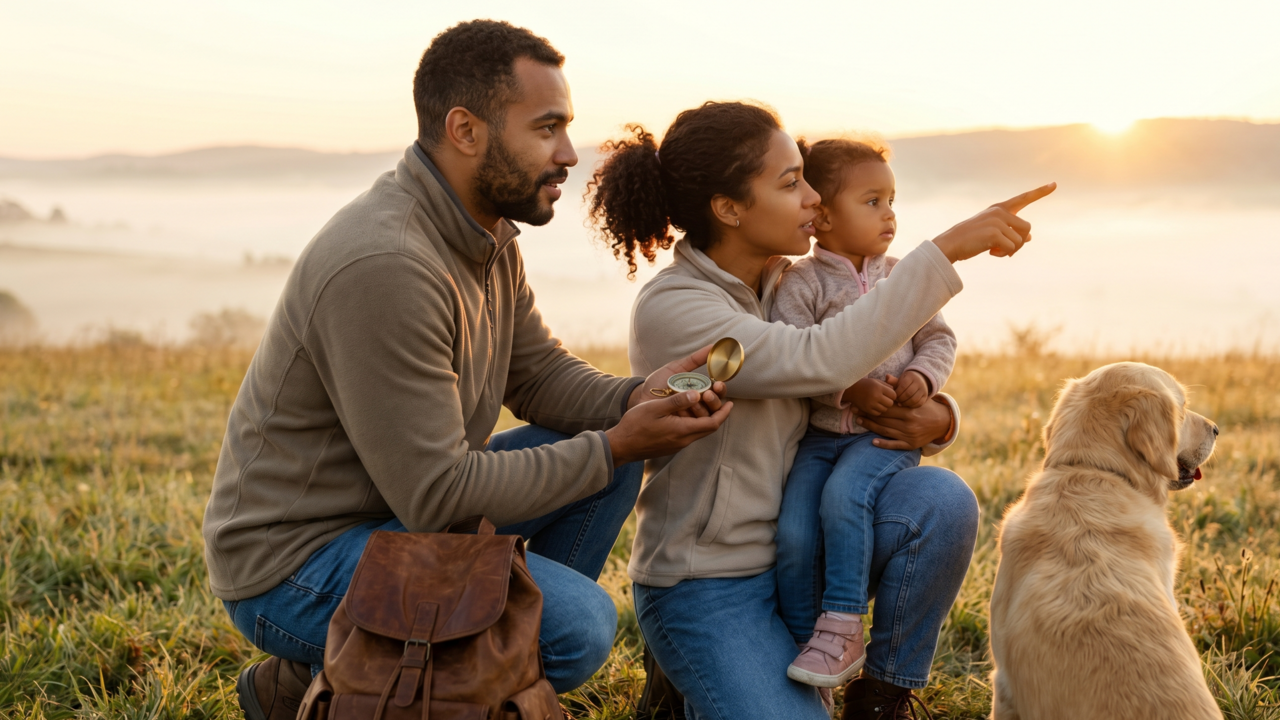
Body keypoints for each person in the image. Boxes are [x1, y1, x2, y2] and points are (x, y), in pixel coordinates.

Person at [202, 20, 730, 720]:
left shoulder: (484, 233)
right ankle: (375, 675)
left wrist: (638, 397)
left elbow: (537, 375)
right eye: (547, 129)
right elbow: (441, 495)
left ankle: (462, 668)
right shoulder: (387, 263)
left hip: (393, 520)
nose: (570, 153)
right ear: (465, 129)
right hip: (294, 563)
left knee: (604, 466)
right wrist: (618, 442)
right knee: (574, 627)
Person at [586, 101, 1053, 719]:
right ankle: (682, 679)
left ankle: (881, 696)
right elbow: (819, 359)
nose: (813, 199)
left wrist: (939, 414)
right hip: (710, 583)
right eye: (790, 183)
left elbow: (866, 359)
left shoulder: (789, 282)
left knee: (940, 501)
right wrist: (944, 252)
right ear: (728, 209)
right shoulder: (678, 309)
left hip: (808, 548)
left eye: (807, 176)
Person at [769, 138, 958, 688]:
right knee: (797, 531)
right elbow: (794, 354)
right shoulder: (799, 283)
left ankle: (845, 623)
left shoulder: (904, 276)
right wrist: (847, 390)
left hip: (879, 441)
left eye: (892, 199)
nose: (890, 214)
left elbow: (940, 339)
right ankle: (812, 642)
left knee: (843, 498)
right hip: (819, 438)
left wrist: (923, 378)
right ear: (823, 216)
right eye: (871, 201)